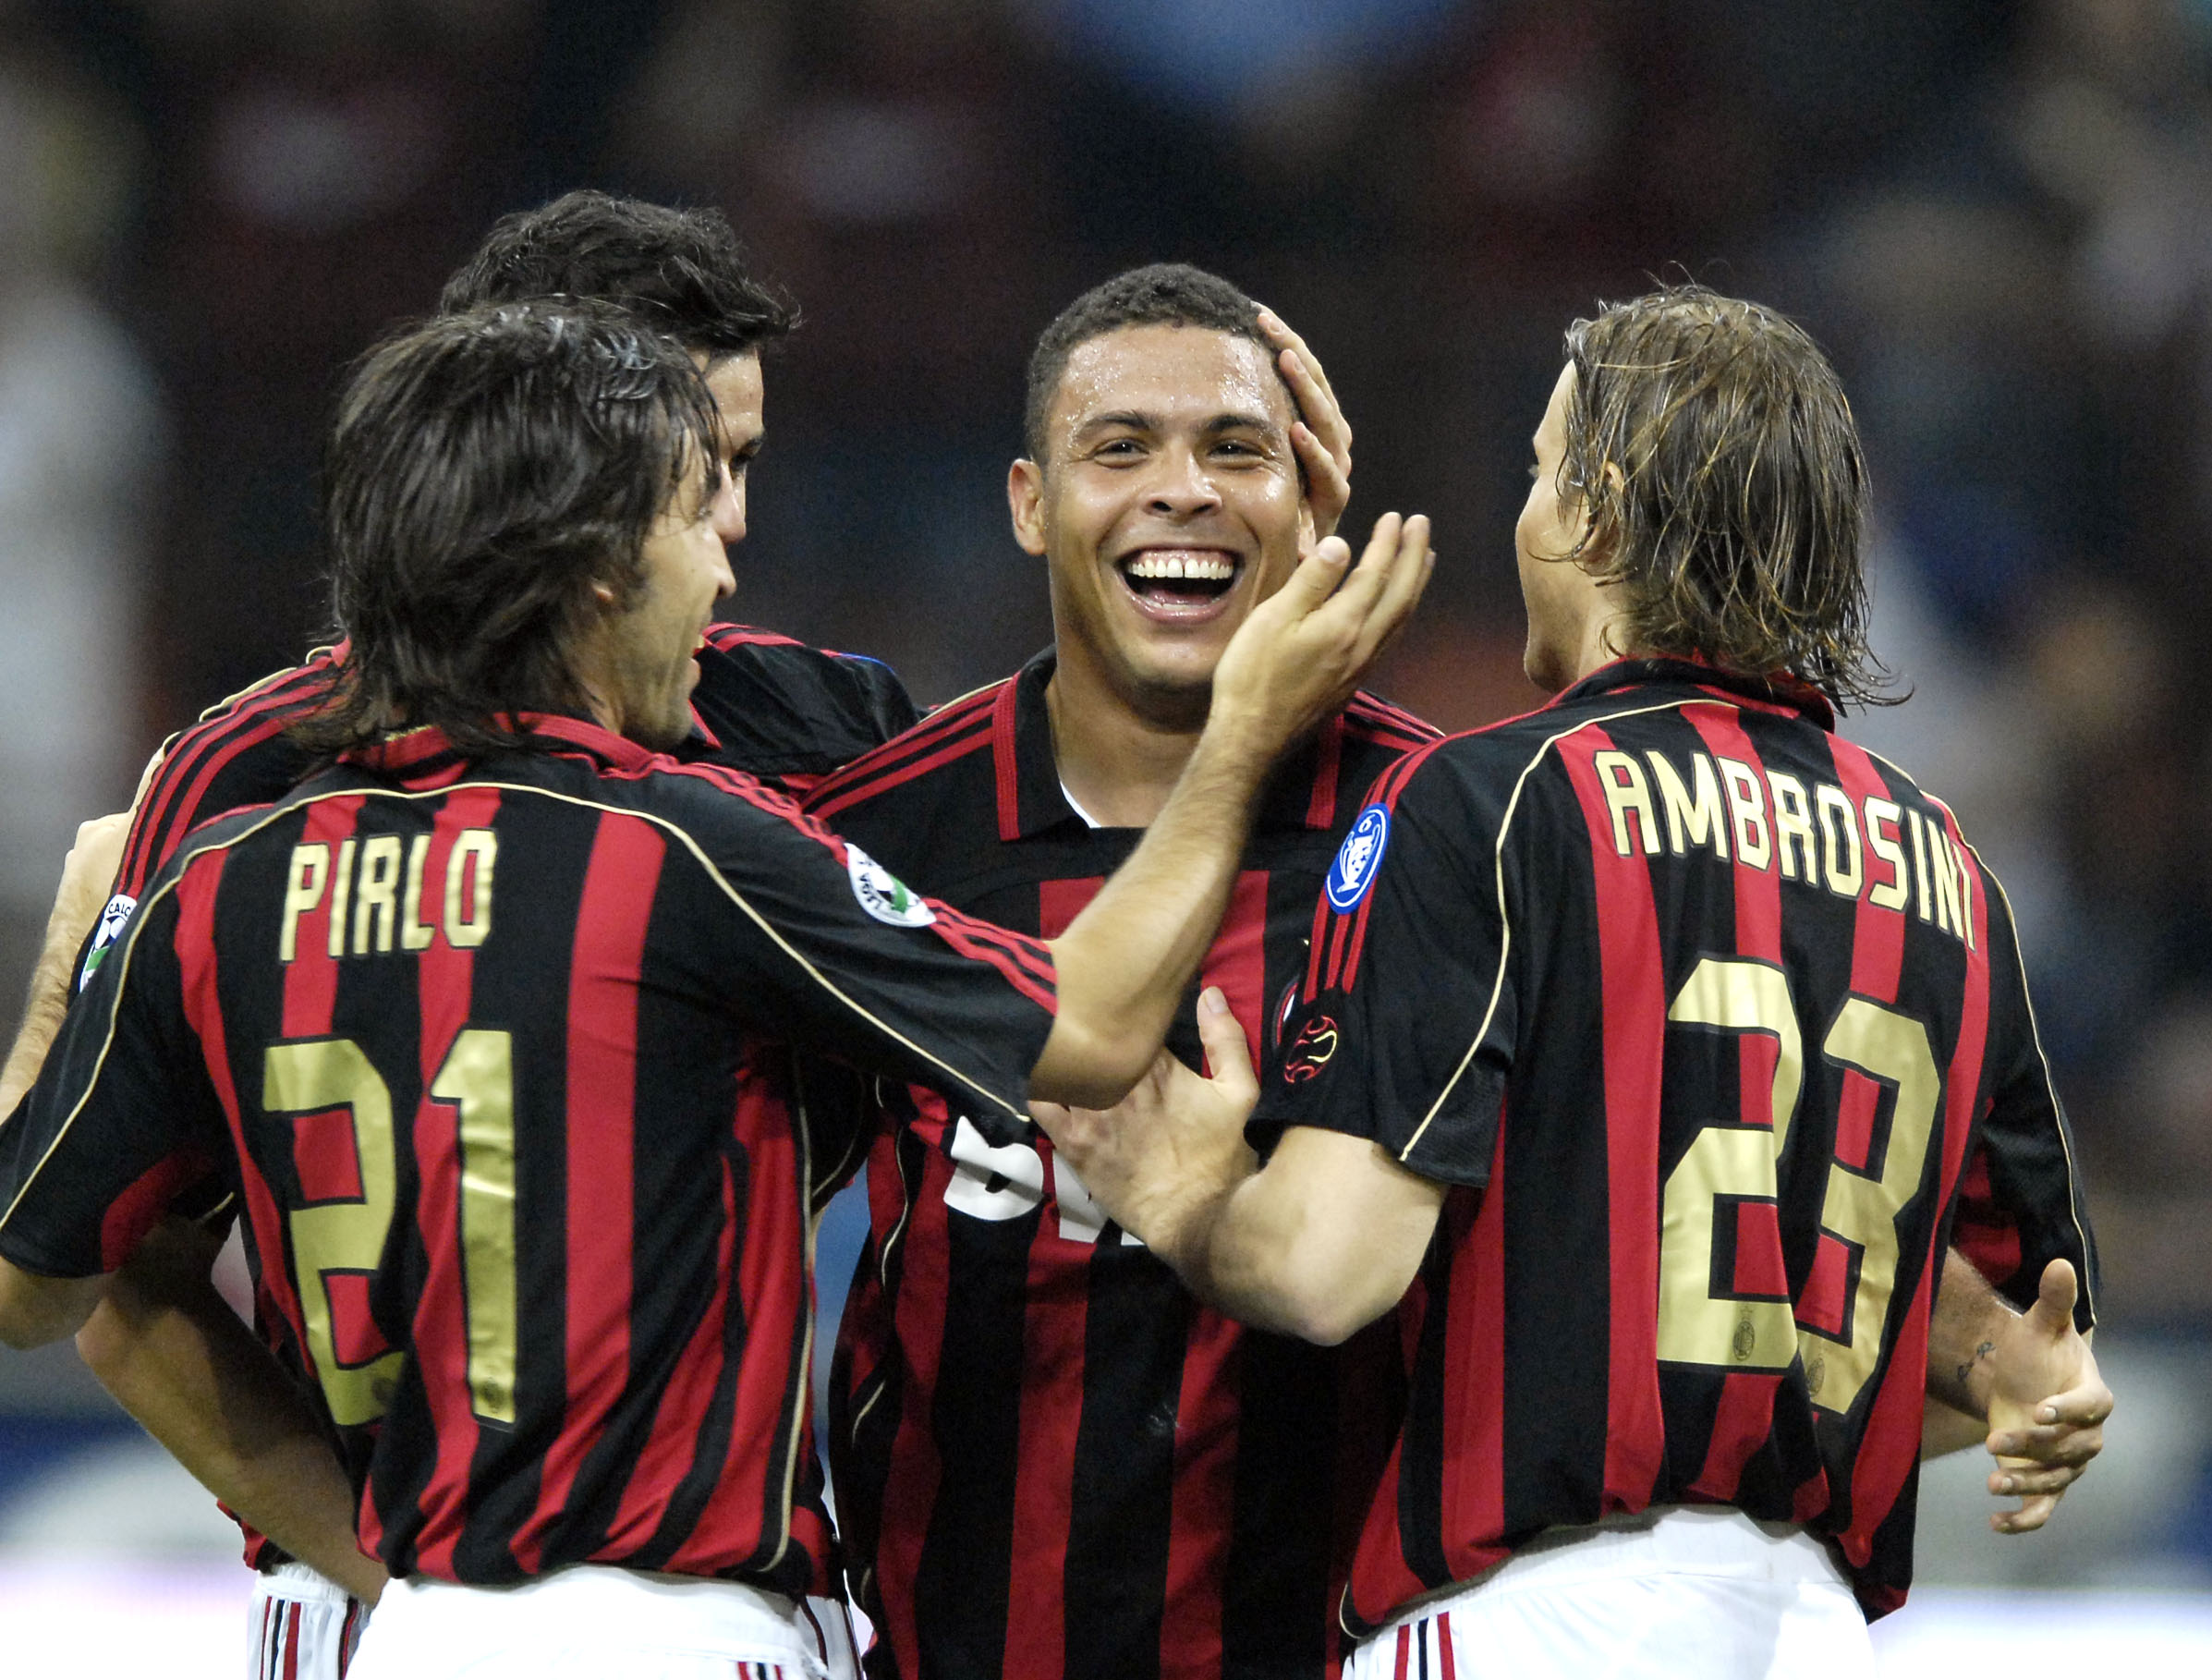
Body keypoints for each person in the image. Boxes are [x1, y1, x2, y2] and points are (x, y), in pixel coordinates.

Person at [0, 299, 1431, 1679]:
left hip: (420, 1620)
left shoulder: (218, 874)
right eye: (698, 509)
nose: (728, 563)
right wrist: (1242, 727)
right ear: (602, 559)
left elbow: (30, 1285)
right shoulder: (676, 846)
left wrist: (72, 968)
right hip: (677, 1621)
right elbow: (1096, 1022)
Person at [1041, 286, 2109, 1678]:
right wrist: (2016, 1386)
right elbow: (2032, 1358)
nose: (1522, 517)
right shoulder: (1947, 865)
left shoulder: (1490, 800)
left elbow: (1322, 1267)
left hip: (1544, 1616)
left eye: (1540, 475)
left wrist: (1179, 1193)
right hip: (1819, 1629)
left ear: (1598, 514)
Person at [0, 189, 918, 1680]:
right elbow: (103, 1277)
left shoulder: (820, 726)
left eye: (744, 461)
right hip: (382, 1585)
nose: (732, 519)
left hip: (761, 1579)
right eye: (703, 462)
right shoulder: (242, 778)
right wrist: (422, 1579)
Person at [806, 263, 1436, 1680]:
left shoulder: (1437, 830)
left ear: (1306, 497)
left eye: (1235, 450)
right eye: (1120, 448)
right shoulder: (882, 829)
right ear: (1029, 502)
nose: (1183, 492)